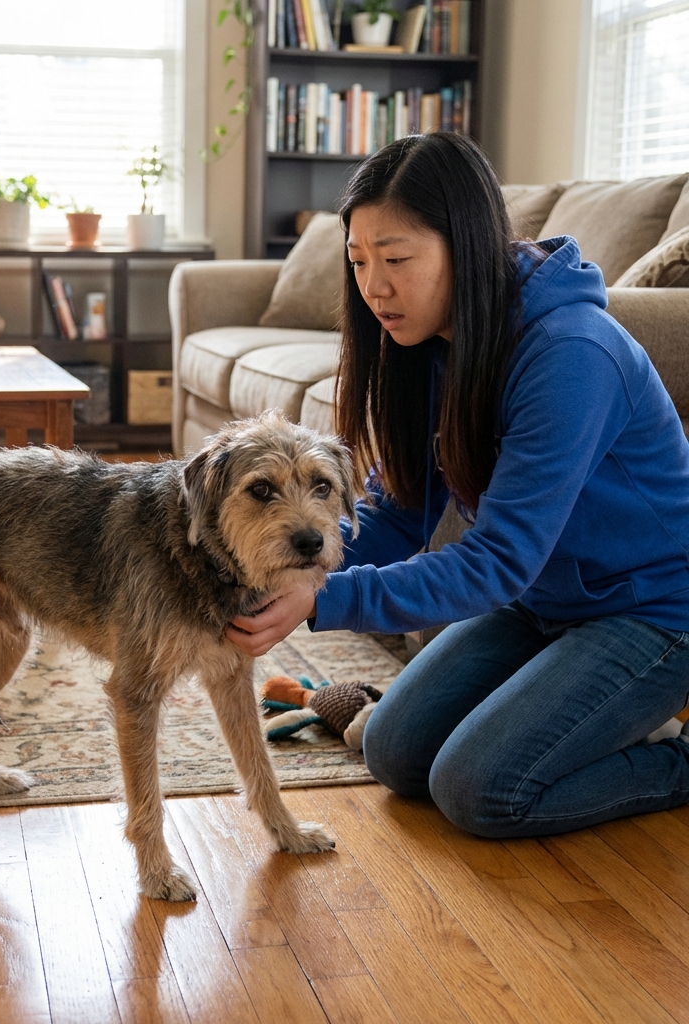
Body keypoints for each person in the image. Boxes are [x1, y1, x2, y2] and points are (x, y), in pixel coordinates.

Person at [226, 132, 689, 839]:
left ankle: (670, 755)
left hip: (653, 614)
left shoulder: (570, 354)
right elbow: (398, 506)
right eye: (358, 261)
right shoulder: (435, 344)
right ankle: (595, 720)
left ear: (465, 245)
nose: (374, 286)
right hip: (543, 605)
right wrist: (289, 566)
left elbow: (499, 561)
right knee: (396, 752)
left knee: (480, 790)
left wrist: (323, 596)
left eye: (397, 259)